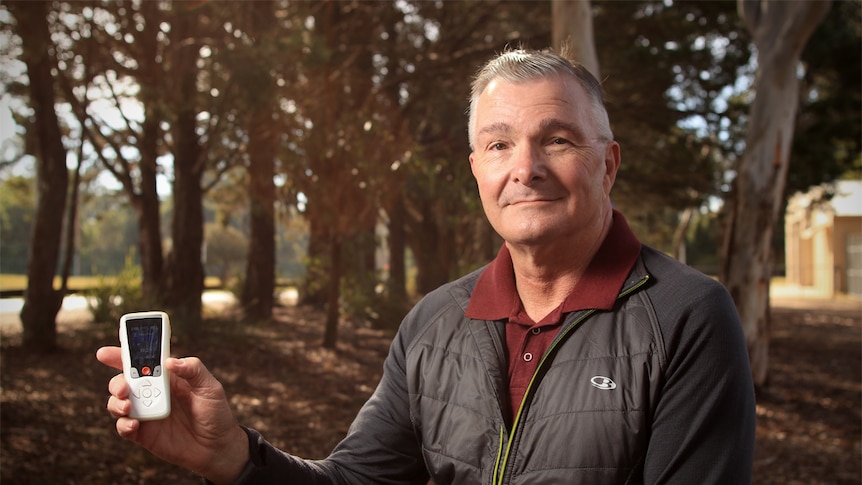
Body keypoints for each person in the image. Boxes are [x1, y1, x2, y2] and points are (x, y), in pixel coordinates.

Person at [97, 47, 756, 484]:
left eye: (556, 139)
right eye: (498, 144)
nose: (523, 168)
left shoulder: (685, 315)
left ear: (606, 164)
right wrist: (233, 454)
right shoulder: (434, 321)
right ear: (477, 171)